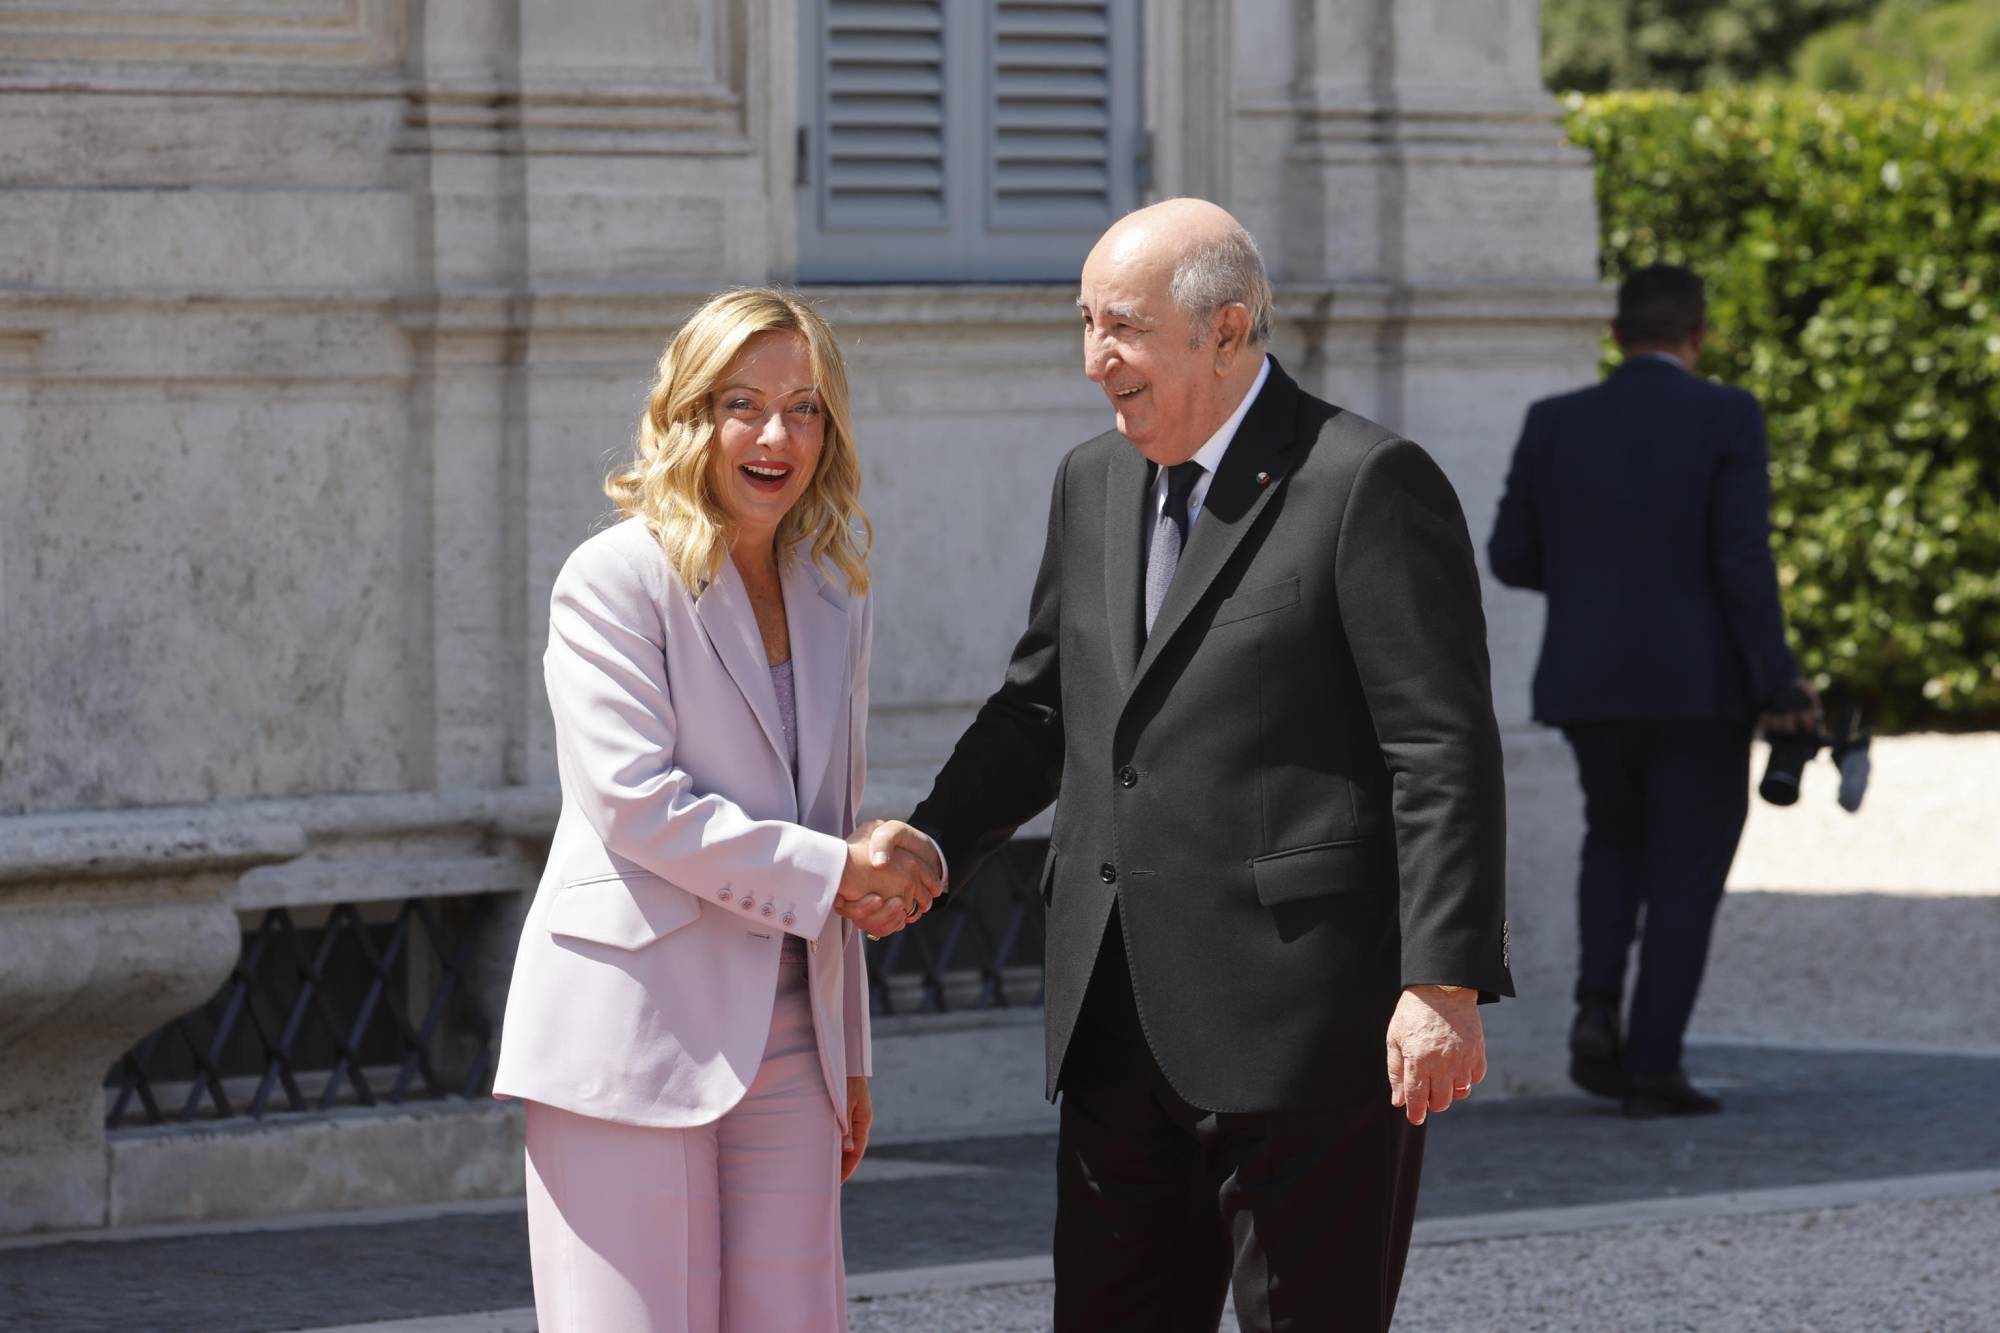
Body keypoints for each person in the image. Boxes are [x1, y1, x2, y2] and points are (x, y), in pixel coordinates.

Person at [874, 199, 1513, 1333]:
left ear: (1224, 331)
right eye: (1084, 323)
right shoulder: (1089, 482)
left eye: (1120, 326)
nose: (1094, 359)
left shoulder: (1365, 481)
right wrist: (930, 841)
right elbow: (1040, 708)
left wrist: (1442, 981)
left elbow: (1438, 747)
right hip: (1113, 1019)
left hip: (1305, 1027)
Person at [492, 287, 941, 1331]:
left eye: (804, 408)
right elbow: (636, 803)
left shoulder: (834, 587)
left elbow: (831, 808)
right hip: (629, 1027)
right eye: (744, 405)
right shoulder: (612, 578)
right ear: (690, 415)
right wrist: (839, 871)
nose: (777, 436)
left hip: (792, 1035)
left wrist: (848, 1054)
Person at [1488, 263, 1817, 1118]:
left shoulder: (1555, 420)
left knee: (1613, 840)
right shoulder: (1727, 414)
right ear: (1697, 334)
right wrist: (1778, 679)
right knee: (1685, 872)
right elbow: (1742, 558)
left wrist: (1595, 582)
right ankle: (1652, 1062)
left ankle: (1596, 1008)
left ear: (1616, 332)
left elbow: (1511, 556)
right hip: (1699, 685)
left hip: (1590, 680)